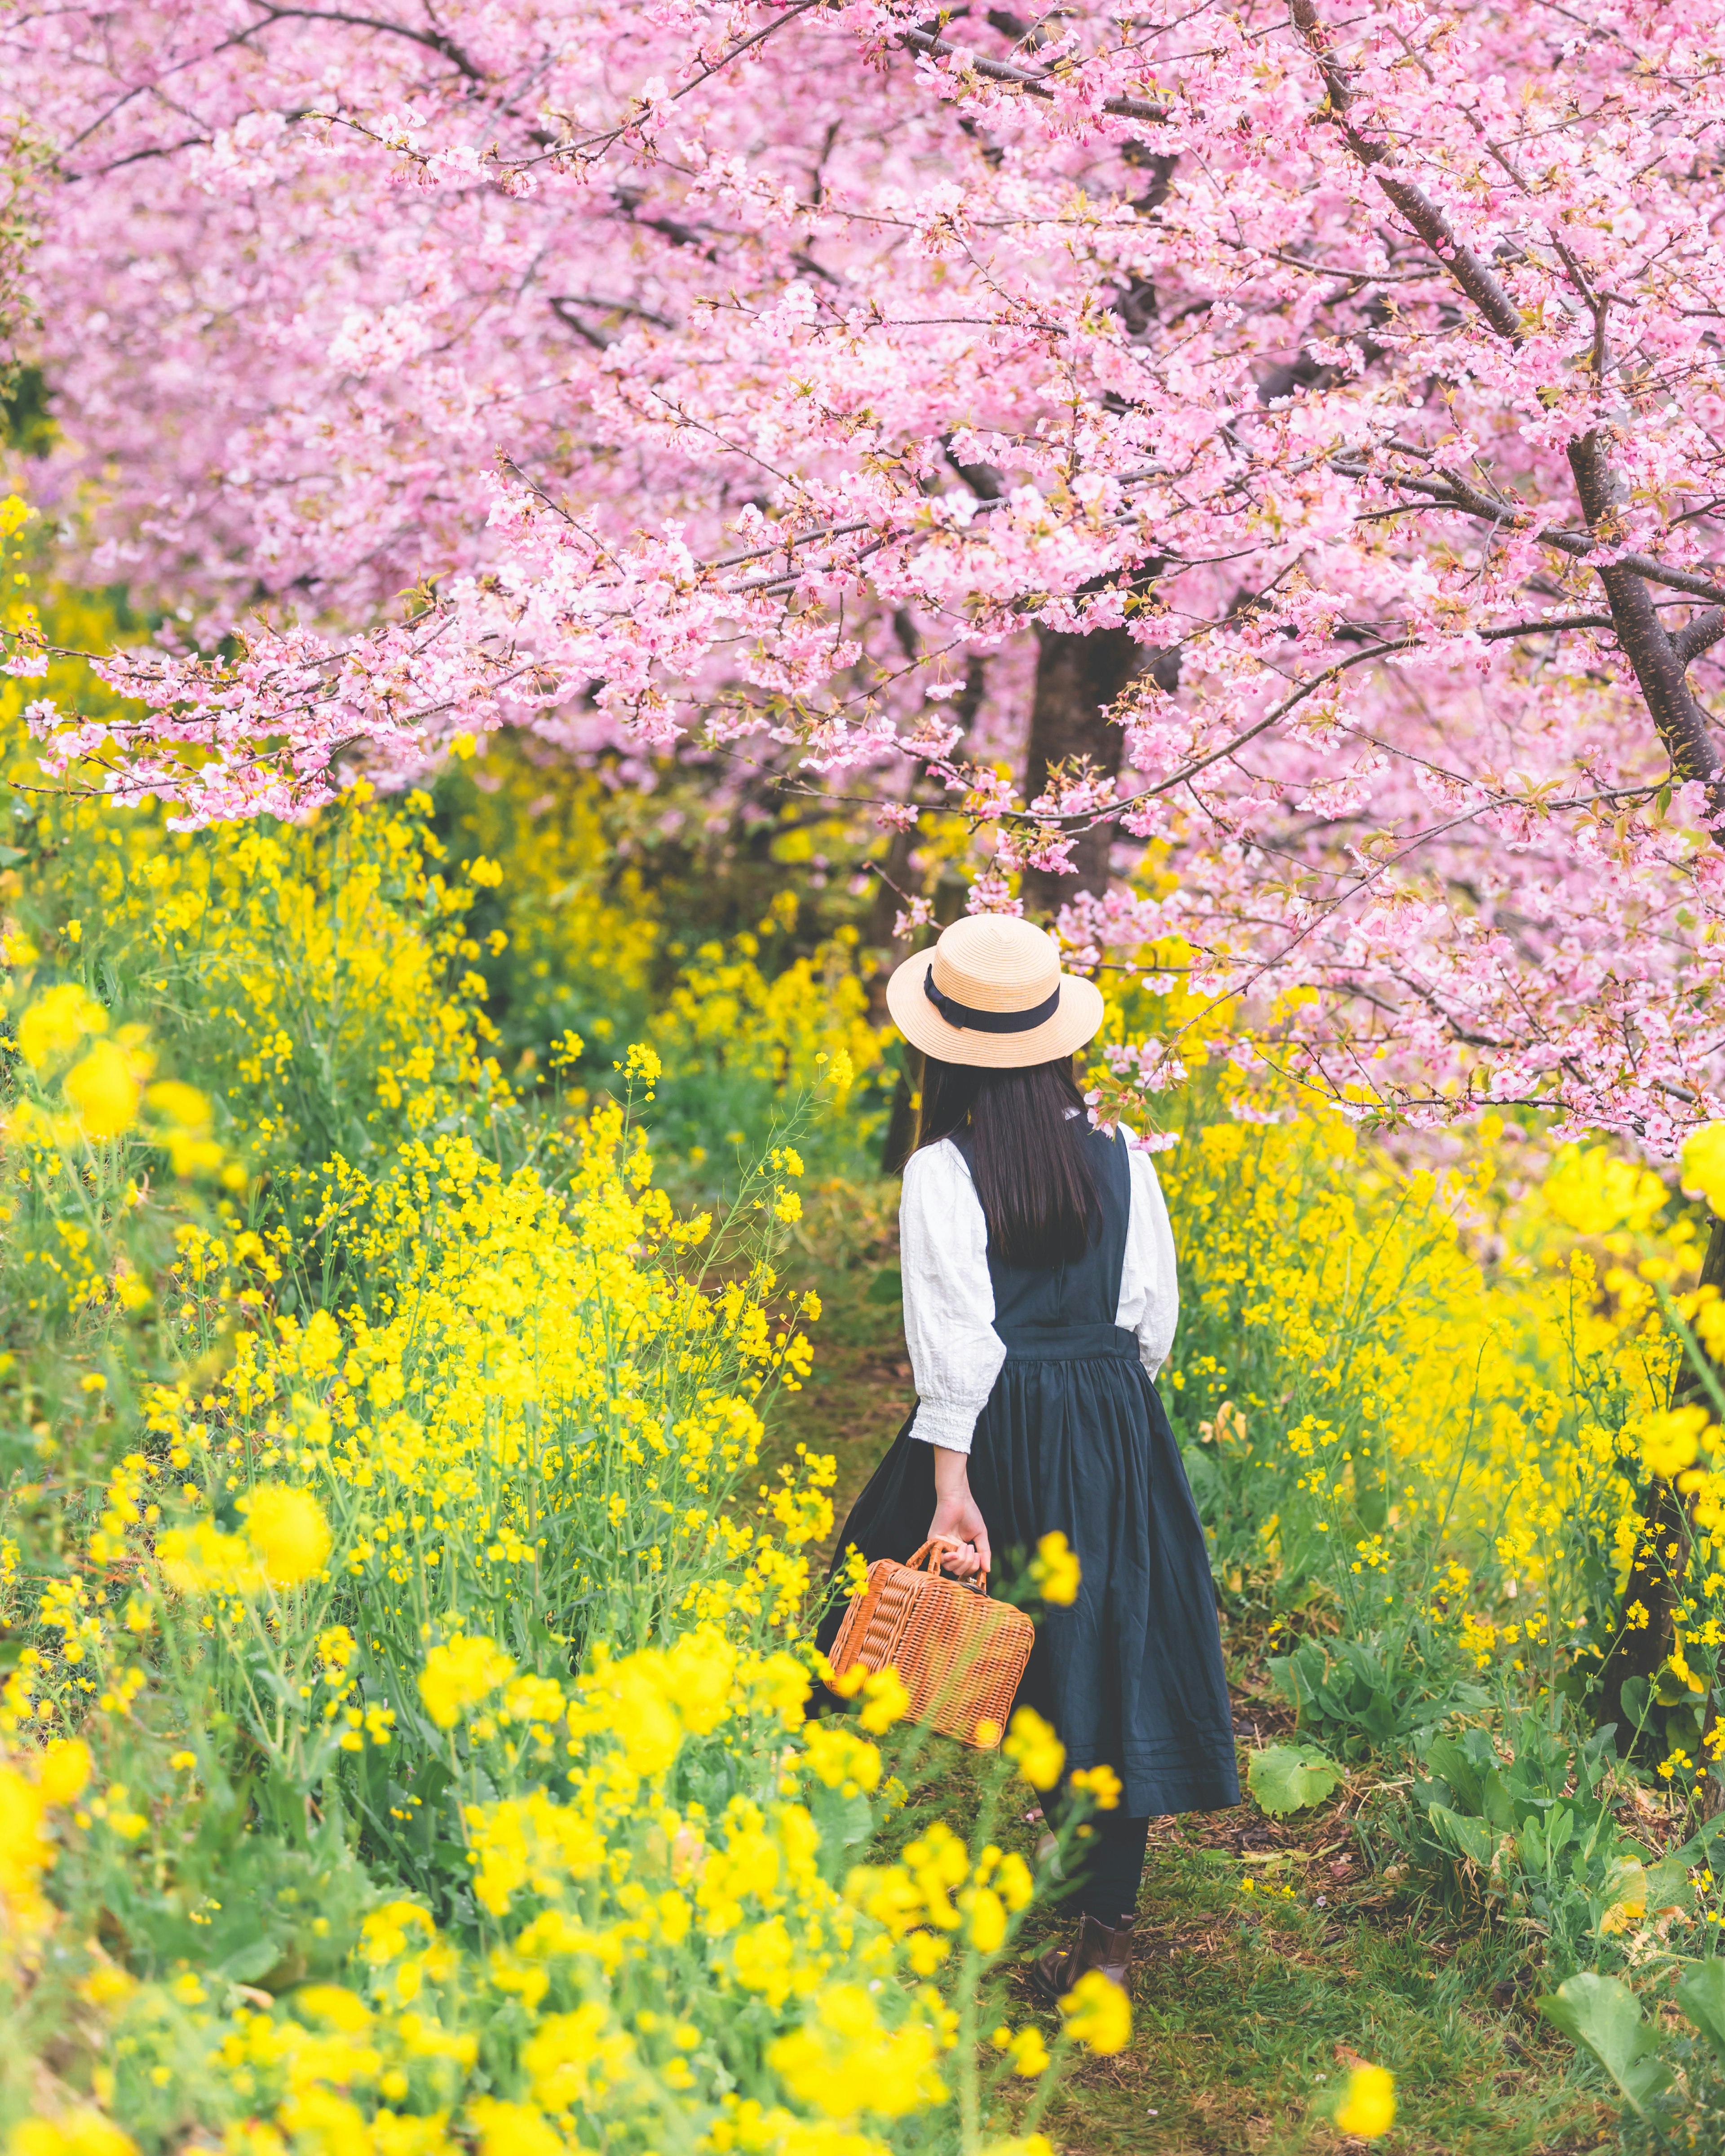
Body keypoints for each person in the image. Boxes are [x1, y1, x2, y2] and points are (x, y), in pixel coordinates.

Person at [824, 912, 1239, 1995]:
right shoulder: (1126, 1156)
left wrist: (952, 1483)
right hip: (1112, 1415)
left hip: (1000, 1416)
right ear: (1058, 1038)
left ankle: (832, 1827)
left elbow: (956, 1343)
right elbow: (1153, 1320)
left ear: (940, 1050)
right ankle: (1106, 1924)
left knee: (880, 1616)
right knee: (1111, 1644)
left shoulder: (942, 1171)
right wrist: (1105, 1411)